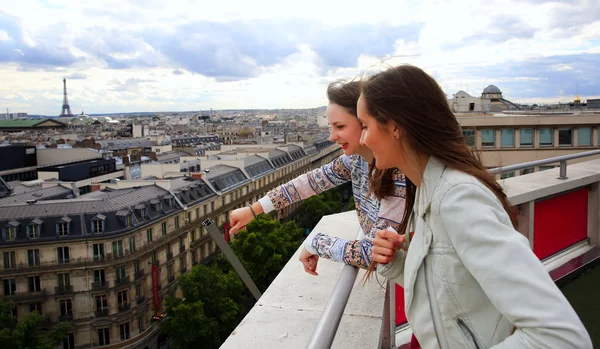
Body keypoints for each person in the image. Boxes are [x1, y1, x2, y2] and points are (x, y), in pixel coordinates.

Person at [361, 65, 592, 348]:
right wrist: (397, 263)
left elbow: (562, 338)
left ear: (394, 127)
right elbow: (452, 288)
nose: (363, 139)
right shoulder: (429, 190)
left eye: (365, 125)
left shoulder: (458, 199)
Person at [228, 79, 406, 275]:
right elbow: (310, 182)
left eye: (339, 127)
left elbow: (372, 253)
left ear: (365, 123)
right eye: (331, 127)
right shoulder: (358, 161)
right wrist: (254, 210)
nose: (332, 136)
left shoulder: (397, 173)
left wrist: (316, 242)